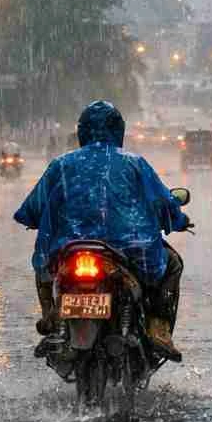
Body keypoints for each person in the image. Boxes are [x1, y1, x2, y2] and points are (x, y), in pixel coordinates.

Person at [14, 101, 191, 360]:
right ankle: (158, 328)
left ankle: (51, 316)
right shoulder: (134, 164)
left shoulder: (61, 165)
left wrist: (35, 218)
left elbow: (31, 208)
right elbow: (163, 203)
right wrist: (178, 219)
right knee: (172, 263)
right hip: (130, 249)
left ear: (82, 131)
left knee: (43, 267)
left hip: (69, 247)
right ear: (119, 130)